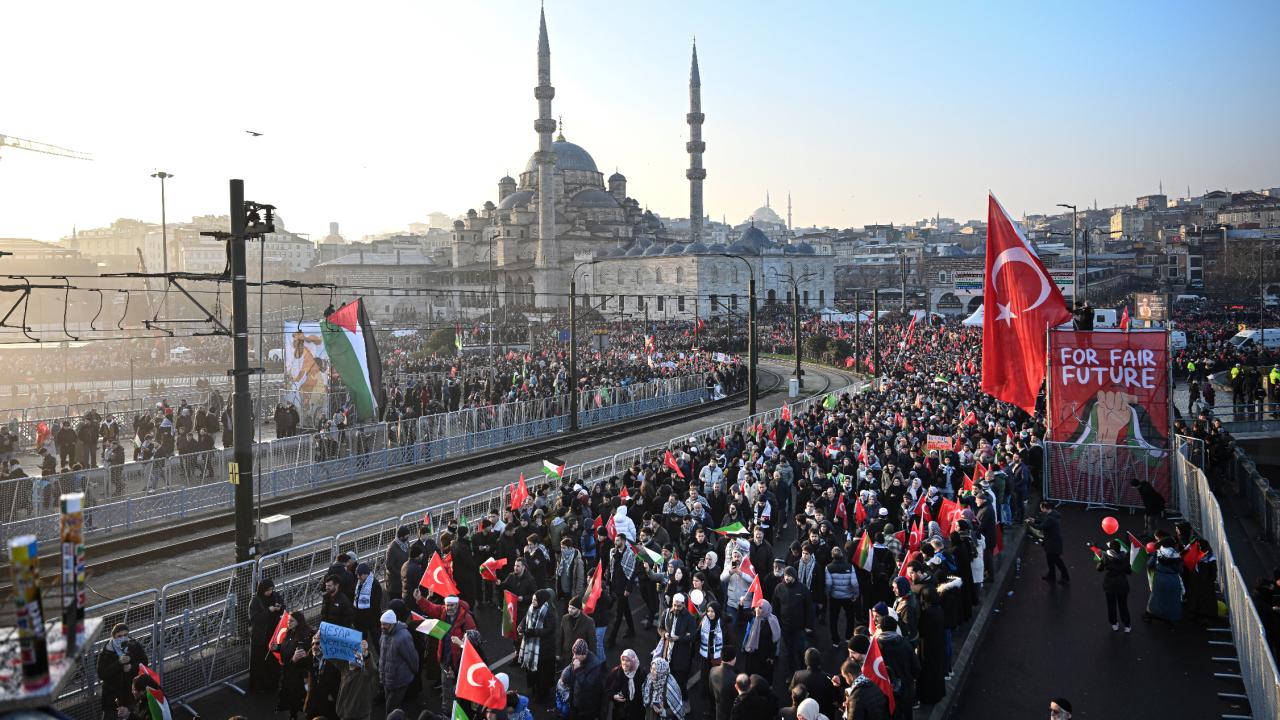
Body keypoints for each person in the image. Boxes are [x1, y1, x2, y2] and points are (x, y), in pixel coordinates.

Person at [97, 623, 150, 720]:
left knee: (131, 716)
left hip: (130, 694)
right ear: (113, 637)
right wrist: (119, 663)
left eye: (125, 635)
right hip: (111, 697)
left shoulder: (134, 645)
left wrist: (132, 667)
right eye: (119, 636)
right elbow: (102, 674)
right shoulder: (107, 651)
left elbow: (144, 661)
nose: (123, 638)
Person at [518, 588, 559, 704]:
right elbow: (526, 618)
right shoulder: (532, 607)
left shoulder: (549, 611)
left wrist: (533, 632)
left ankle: (542, 694)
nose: (533, 601)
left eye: (535, 600)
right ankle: (535, 689)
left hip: (544, 650)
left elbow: (550, 629)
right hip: (532, 648)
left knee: (542, 674)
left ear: (541, 600)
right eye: (533, 599)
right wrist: (521, 626)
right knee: (533, 672)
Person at [379, 608, 420, 715]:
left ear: (392, 624)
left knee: (392, 708)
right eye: (381, 624)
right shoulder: (384, 633)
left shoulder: (403, 637)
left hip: (399, 681)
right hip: (387, 679)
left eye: (384, 624)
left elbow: (412, 658)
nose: (382, 627)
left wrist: (414, 671)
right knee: (390, 706)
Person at [248, 578, 284, 695]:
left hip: (274, 634)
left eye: (271, 589)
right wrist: (268, 611)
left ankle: (272, 684)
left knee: (273, 661)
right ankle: (258, 686)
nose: (270, 592)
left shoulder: (276, 596)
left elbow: (283, 608)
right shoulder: (255, 601)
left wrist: (280, 608)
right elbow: (255, 619)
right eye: (268, 590)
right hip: (261, 637)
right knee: (259, 662)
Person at [276, 611, 313, 720]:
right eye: (288, 620)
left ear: (299, 622)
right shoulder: (290, 632)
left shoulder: (304, 636)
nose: (288, 623)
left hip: (298, 674)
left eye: (291, 621)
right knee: (291, 697)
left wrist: (293, 660)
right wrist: (277, 647)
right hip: (288, 671)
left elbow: (304, 657)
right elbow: (286, 647)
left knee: (297, 697)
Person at [557, 638, 604, 720]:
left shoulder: (595, 665)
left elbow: (587, 685)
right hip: (576, 701)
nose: (574, 657)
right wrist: (565, 674)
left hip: (588, 706)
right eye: (574, 653)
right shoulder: (578, 658)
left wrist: (578, 670)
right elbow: (571, 670)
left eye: (576, 654)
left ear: (584, 654)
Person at [840, 644, 889, 720]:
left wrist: (849, 709)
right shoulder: (873, 685)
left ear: (850, 676)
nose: (846, 680)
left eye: (845, 677)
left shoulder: (855, 696)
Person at [335, 639, 378, 720]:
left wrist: (366, 654)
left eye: (357, 653)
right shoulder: (345, 667)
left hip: (360, 714)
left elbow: (372, 669)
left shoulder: (365, 671)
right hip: (344, 713)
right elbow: (332, 656)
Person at [825, 546, 859, 647]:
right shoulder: (850, 567)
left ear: (832, 556)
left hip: (835, 597)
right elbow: (854, 583)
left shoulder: (829, 567)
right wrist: (855, 595)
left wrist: (828, 594)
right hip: (848, 597)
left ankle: (835, 641)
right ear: (841, 555)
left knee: (833, 619)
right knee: (850, 617)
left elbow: (828, 584)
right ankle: (848, 637)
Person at [303, 632, 341, 720]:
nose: (314, 646)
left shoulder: (335, 660)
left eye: (317, 643)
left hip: (329, 703)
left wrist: (333, 695)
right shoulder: (310, 656)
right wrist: (293, 659)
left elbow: (340, 678)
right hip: (313, 704)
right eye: (312, 644)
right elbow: (297, 665)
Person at [1096, 539, 1132, 632]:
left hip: (1109, 585)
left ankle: (1114, 624)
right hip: (1122, 585)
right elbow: (1129, 572)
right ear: (1119, 549)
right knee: (1123, 605)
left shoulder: (1105, 557)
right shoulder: (1125, 557)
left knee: (1111, 605)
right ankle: (1127, 625)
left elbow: (1099, 569)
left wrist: (1100, 561)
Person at [740, 600, 780, 683]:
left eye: (760, 608)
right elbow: (741, 616)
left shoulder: (772, 620)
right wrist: (741, 605)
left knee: (762, 676)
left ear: (766, 609)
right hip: (752, 651)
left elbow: (775, 640)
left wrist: (772, 656)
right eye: (757, 607)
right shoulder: (753, 617)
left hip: (764, 653)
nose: (757, 609)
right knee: (750, 673)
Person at [790, 648, 836, 720]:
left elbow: (792, 691)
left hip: (804, 715)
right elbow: (835, 698)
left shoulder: (797, 675)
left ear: (806, 661)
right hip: (824, 714)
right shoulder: (828, 678)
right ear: (819, 661)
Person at [1029, 501, 1069, 584]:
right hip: (1053, 542)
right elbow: (1045, 523)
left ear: (1044, 508)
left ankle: (1065, 577)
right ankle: (1051, 575)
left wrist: (1030, 523)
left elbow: (1041, 526)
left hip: (1052, 543)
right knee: (1050, 560)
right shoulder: (1053, 514)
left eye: (1041, 508)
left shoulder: (1050, 518)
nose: (1041, 509)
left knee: (1057, 561)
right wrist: (1035, 520)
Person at [1146, 540, 1184, 626]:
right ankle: (1171, 621)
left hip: (1159, 579)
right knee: (1172, 601)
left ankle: (1151, 615)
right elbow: (1180, 570)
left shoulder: (1157, 553)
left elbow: (1150, 564)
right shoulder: (1177, 555)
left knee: (1156, 599)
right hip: (1173, 580)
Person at [604, 648, 648, 720]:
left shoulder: (641, 673)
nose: (624, 663)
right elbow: (607, 691)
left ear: (633, 661)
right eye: (623, 660)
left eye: (627, 661)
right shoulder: (616, 673)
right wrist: (614, 696)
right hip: (620, 714)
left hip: (637, 713)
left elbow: (646, 691)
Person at [558, 596, 596, 669]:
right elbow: (561, 636)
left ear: (579, 609)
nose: (570, 610)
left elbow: (592, 642)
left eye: (573, 608)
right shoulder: (565, 618)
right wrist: (558, 653)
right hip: (566, 656)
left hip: (580, 658)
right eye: (569, 607)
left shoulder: (588, 621)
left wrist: (591, 659)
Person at [352, 562, 384, 647]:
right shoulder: (359, 583)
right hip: (361, 619)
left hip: (372, 619)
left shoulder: (375, 585)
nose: (358, 577)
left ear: (365, 574)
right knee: (362, 643)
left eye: (359, 575)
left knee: (377, 641)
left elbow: (375, 605)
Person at [706, 648, 738, 720]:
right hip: (731, 712)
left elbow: (711, 691)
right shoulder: (735, 678)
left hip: (719, 711)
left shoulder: (713, 670)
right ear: (733, 660)